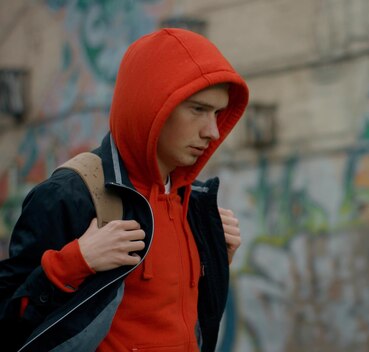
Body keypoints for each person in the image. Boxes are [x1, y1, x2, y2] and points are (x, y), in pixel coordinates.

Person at [0, 28, 249, 351]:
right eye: (197, 109)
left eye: (218, 113)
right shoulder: (71, 193)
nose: (213, 131)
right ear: (153, 106)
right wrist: (73, 264)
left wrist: (214, 259)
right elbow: (8, 318)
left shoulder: (194, 202)